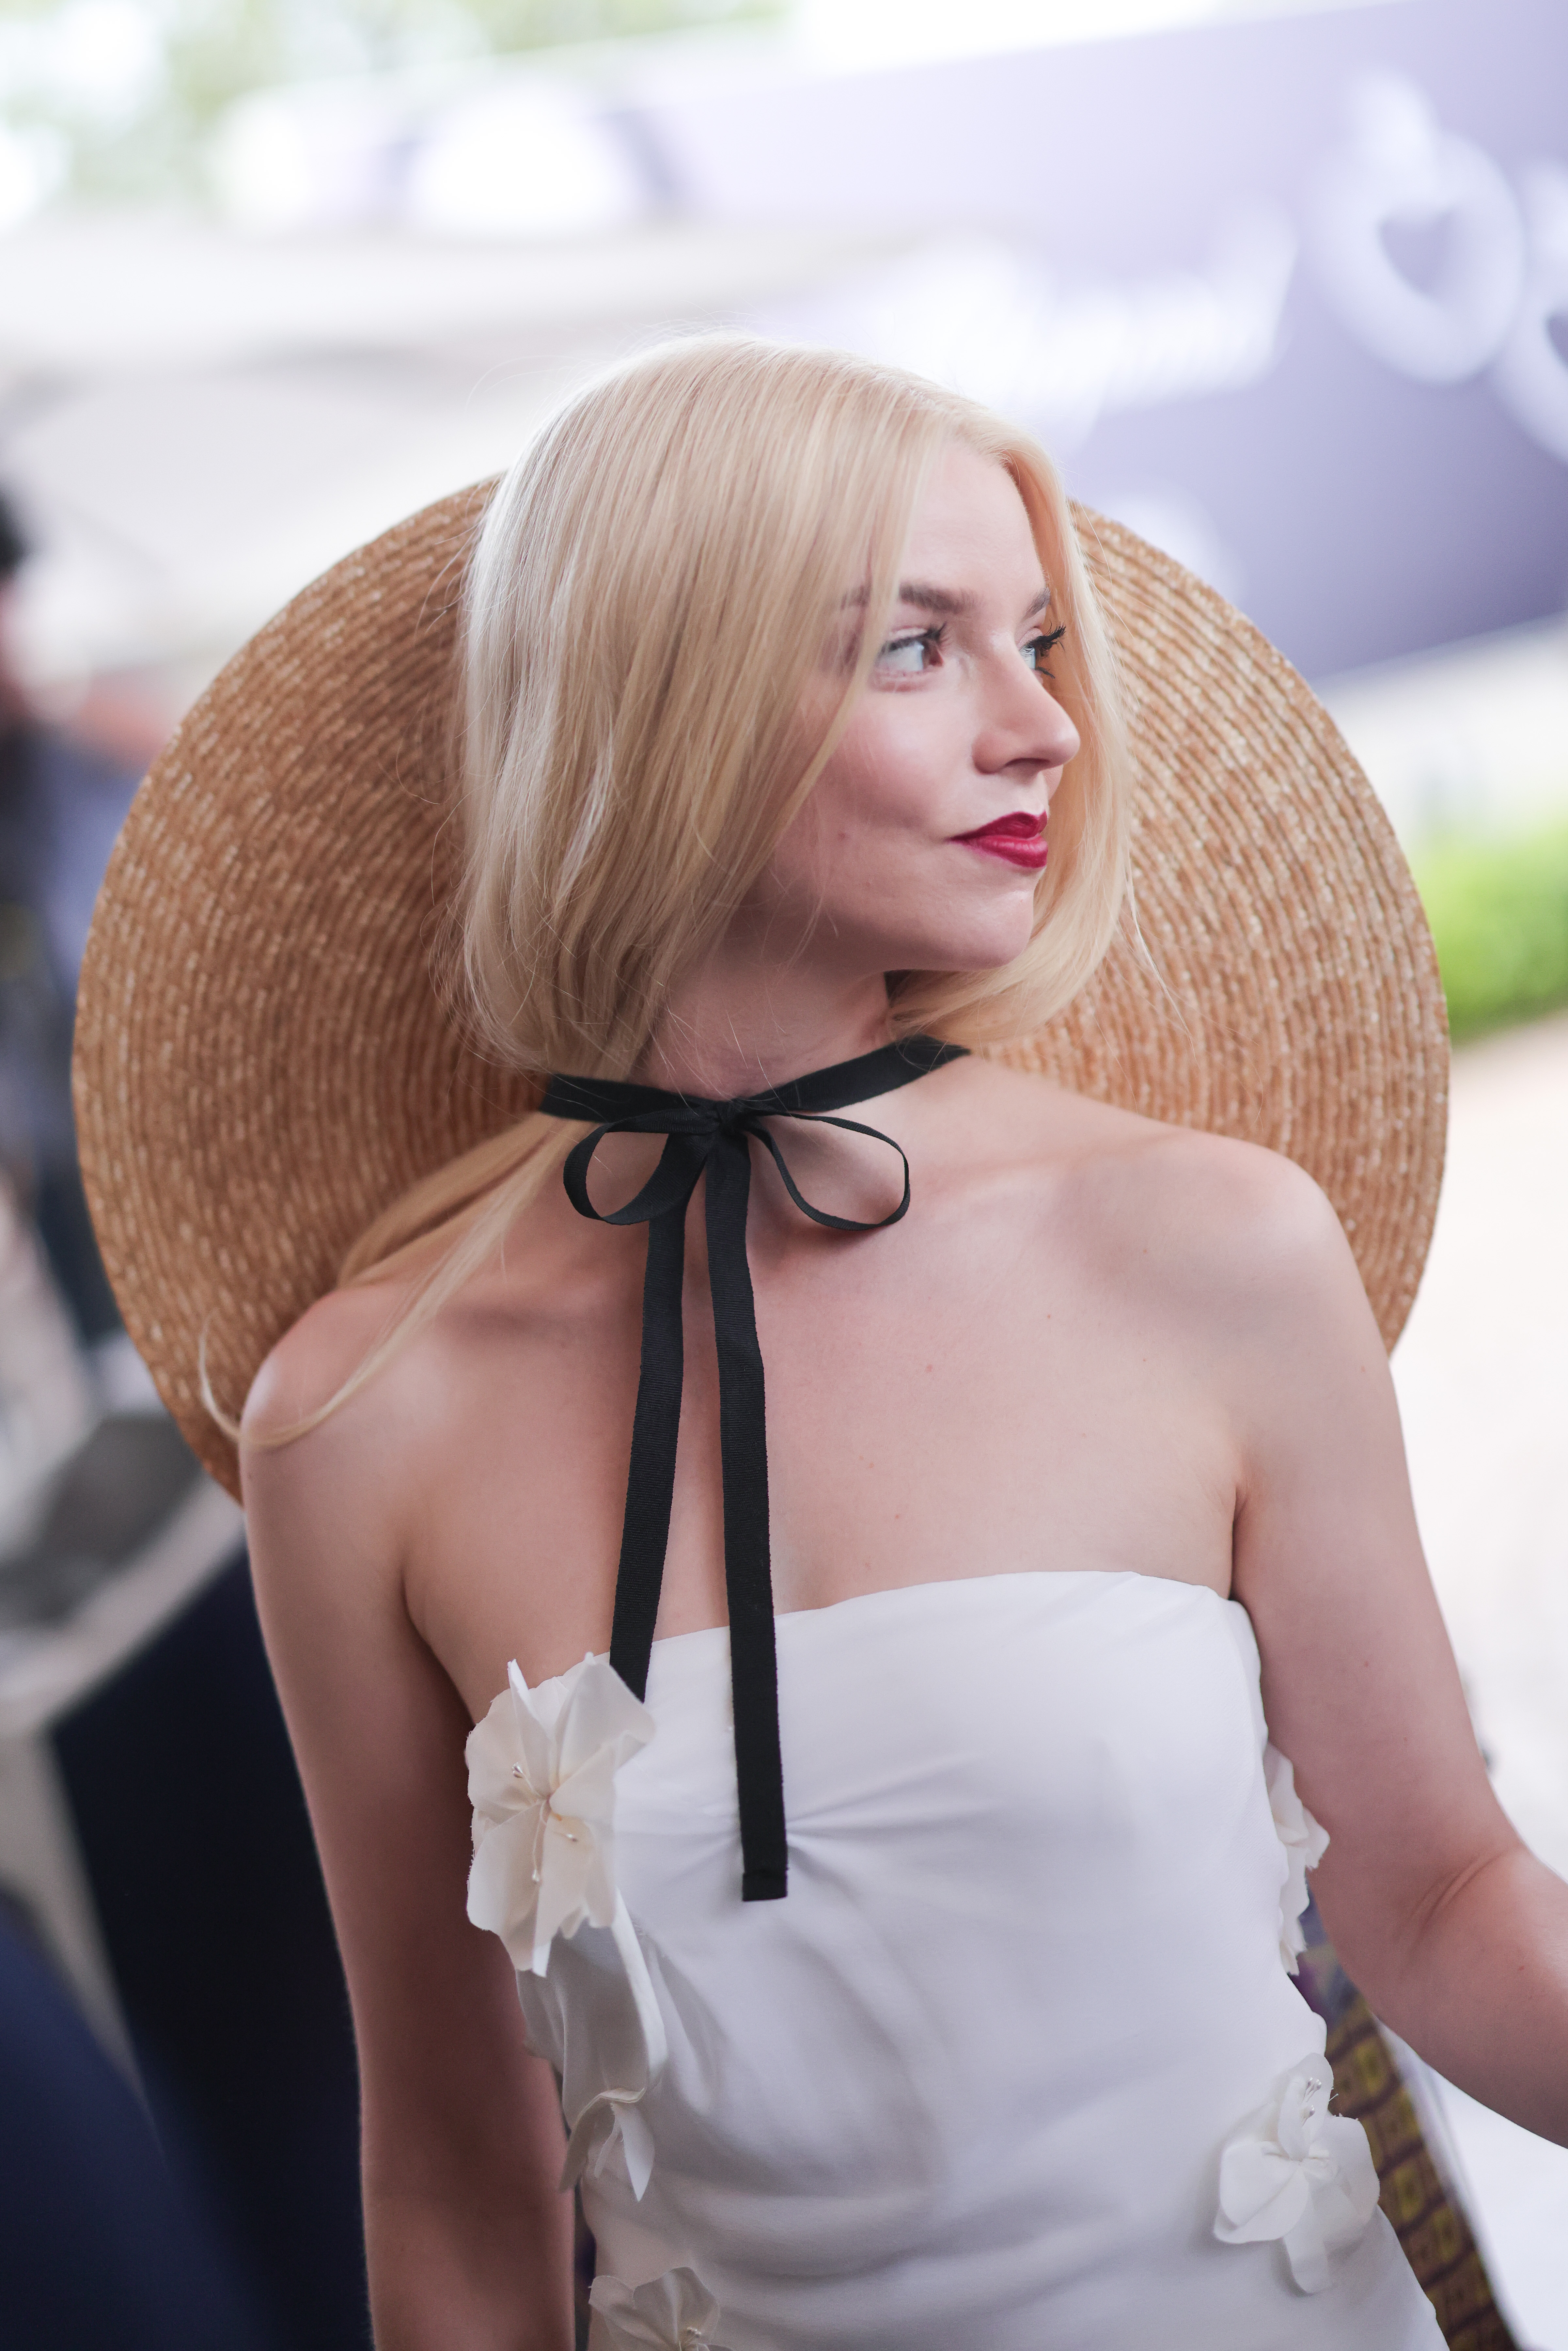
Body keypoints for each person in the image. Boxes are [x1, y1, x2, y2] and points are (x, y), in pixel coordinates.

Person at [76, 338, 1568, 2350]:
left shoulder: (1205, 1245)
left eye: (1039, 641)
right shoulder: (359, 1413)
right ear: (658, 703)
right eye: (915, 647)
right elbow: (448, 2168)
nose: (1042, 725)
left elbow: (1448, 1902)